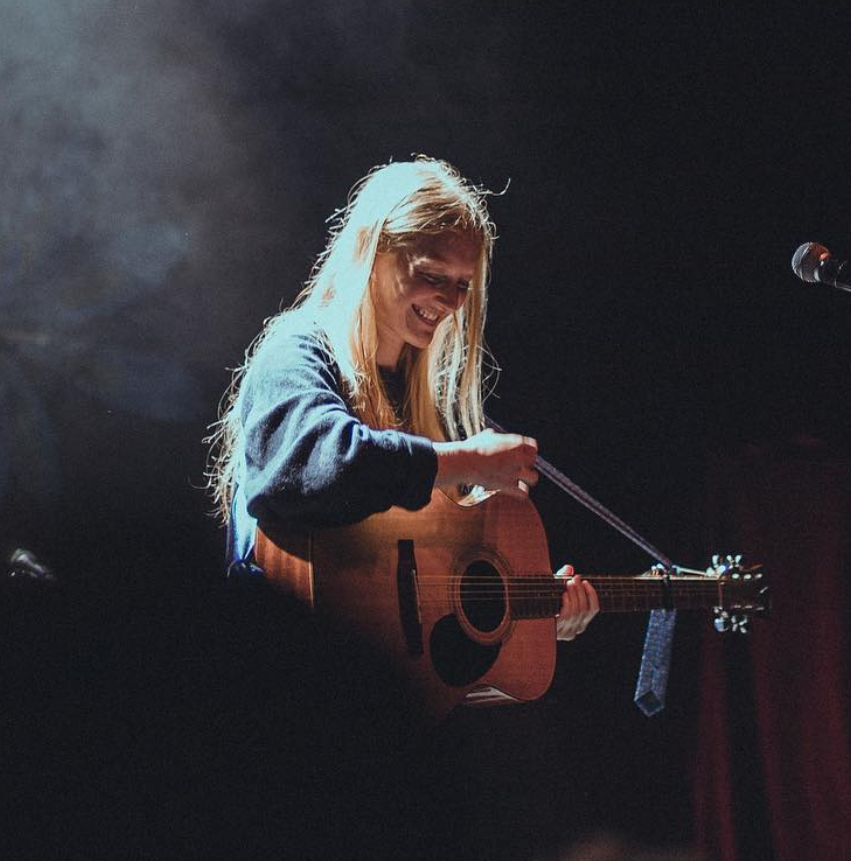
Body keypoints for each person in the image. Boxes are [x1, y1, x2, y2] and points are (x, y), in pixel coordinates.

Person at [208, 156, 598, 641]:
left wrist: (533, 611)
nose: (453, 302)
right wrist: (466, 460)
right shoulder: (296, 349)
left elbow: (413, 609)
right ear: (371, 251)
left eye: (463, 285)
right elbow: (314, 464)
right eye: (433, 276)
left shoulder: (414, 398)